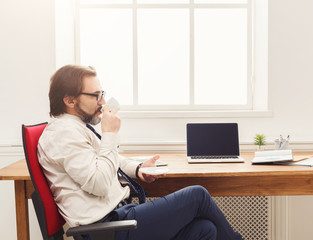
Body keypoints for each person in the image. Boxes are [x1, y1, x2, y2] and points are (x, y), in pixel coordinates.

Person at [38, 64, 244, 240]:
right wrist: (109, 133)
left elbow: (108, 159)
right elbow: (99, 183)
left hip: (119, 215)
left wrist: (137, 169)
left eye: (102, 94)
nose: (102, 102)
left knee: (205, 230)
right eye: (95, 95)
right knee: (197, 195)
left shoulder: (76, 128)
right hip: (107, 228)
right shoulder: (63, 134)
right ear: (70, 100)